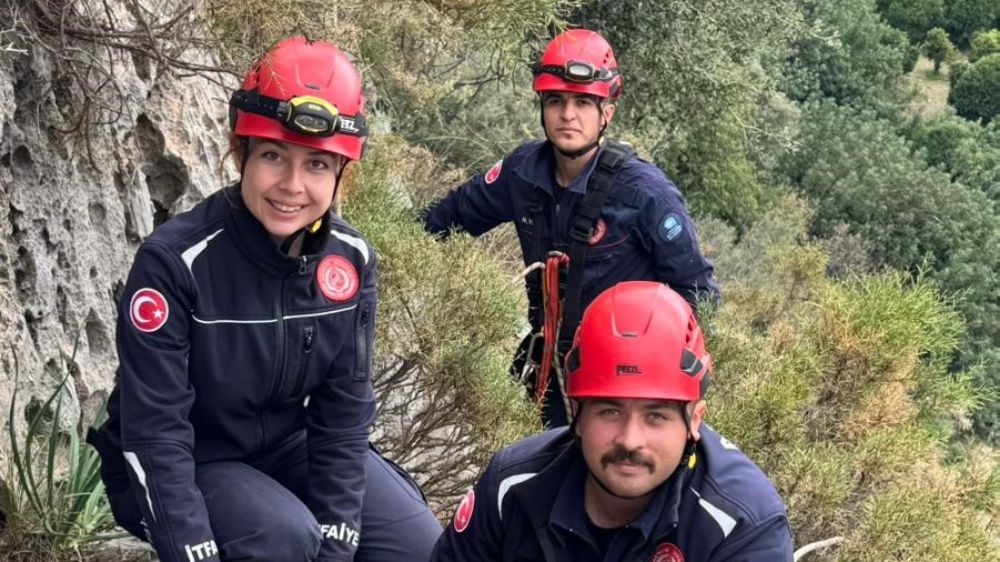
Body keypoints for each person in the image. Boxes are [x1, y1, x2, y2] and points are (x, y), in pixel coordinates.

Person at [86, 36, 441, 562]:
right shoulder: (173, 263)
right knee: (280, 537)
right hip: (186, 458)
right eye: (274, 155)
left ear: (343, 172)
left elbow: (343, 414)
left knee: (417, 547)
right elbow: (154, 432)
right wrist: (190, 547)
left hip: (285, 447)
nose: (292, 185)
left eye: (318, 164)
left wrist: (338, 543)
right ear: (241, 151)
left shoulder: (350, 260)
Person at [422, 29, 719, 426]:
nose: (567, 115)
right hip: (544, 373)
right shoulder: (522, 172)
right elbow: (448, 218)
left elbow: (698, 295)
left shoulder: (645, 194)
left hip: (618, 384)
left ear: (606, 112)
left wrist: (653, 385)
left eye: (583, 102)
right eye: (556, 101)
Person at [430, 281, 793, 562]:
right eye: (610, 411)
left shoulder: (740, 528)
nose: (630, 440)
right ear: (577, 413)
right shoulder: (514, 485)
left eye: (656, 416)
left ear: (694, 421)